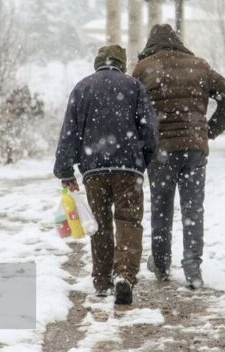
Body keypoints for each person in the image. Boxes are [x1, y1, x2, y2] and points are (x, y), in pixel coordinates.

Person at [133, 24, 225, 290]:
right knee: (193, 209)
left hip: (161, 153)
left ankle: (162, 264)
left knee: (162, 208)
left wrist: (143, 141)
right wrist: (209, 130)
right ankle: (193, 269)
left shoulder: (145, 69)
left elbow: (133, 110)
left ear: (150, 45)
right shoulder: (199, 66)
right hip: (194, 150)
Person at [54, 44, 159, 305]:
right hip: (129, 168)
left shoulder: (82, 88)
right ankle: (124, 274)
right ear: (122, 64)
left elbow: (70, 132)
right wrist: (142, 161)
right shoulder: (134, 87)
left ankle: (101, 280)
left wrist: (65, 170)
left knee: (99, 223)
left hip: (94, 170)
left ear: (97, 62)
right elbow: (150, 131)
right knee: (129, 221)